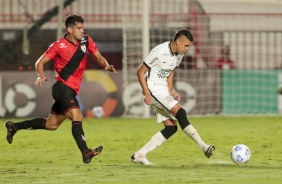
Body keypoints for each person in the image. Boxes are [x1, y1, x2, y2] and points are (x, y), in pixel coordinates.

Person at [4, 15, 117, 164]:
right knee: (77, 116)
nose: (82, 31)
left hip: (70, 90)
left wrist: (106, 66)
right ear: (69, 29)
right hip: (62, 88)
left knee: (52, 125)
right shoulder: (58, 46)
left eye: (83, 28)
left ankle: (14, 126)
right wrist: (40, 75)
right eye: (79, 28)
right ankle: (85, 151)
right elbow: (40, 62)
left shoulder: (86, 40)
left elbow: (98, 57)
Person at [132, 29, 215, 165]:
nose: (187, 49)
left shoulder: (179, 54)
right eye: (186, 46)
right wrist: (147, 92)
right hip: (153, 88)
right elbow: (140, 71)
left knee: (171, 127)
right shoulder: (159, 51)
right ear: (178, 41)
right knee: (180, 112)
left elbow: (171, 71)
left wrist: (170, 89)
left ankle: (139, 155)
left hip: (162, 89)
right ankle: (203, 146)